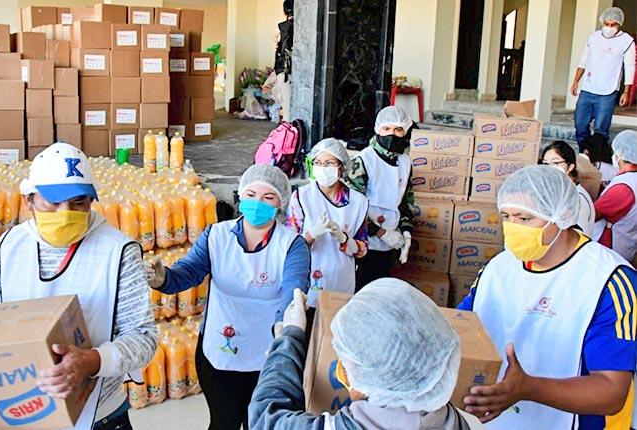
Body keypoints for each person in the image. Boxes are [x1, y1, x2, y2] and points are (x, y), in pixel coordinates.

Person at [0, 142, 157, 430]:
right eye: (52, 203)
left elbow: (144, 339)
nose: (65, 212)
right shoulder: (9, 246)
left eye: (78, 203)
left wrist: (91, 361)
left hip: (100, 413)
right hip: (29, 408)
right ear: (29, 200)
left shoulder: (118, 250)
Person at [458, 165, 636, 429]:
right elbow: (463, 327)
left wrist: (528, 388)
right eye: (507, 216)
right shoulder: (498, 268)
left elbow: (611, 392)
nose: (513, 228)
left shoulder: (608, 280)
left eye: (525, 218)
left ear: (562, 216)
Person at [145, 164, 310, 430]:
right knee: (224, 422)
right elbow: (188, 272)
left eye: (268, 197)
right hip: (220, 351)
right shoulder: (216, 236)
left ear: (281, 202)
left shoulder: (291, 245)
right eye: (252, 194)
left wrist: (284, 330)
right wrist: (162, 277)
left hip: (269, 353)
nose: (258, 202)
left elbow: (293, 292)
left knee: (261, 424)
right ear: (241, 196)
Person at [248, 280, 483, 429]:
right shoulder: (470, 424)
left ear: (372, 379)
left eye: (348, 364)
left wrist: (290, 335)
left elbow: (265, 418)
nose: (343, 369)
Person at [285, 138, 369, 307]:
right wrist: (311, 235)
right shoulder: (301, 197)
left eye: (329, 163)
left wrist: (345, 240)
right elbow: (288, 248)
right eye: (318, 162)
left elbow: (361, 250)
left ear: (341, 166)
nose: (323, 168)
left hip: (341, 280)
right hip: (307, 279)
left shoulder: (358, 202)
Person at [346, 106, 415, 288]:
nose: (391, 134)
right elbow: (351, 207)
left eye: (398, 130)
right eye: (386, 129)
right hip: (363, 240)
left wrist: (406, 231)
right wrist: (380, 232)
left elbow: (406, 200)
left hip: (391, 242)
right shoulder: (364, 161)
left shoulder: (405, 163)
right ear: (378, 129)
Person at [571, 6, 635, 146]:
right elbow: (583, 60)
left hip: (608, 92)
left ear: (619, 24)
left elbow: (630, 67)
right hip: (588, 88)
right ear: (602, 22)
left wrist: (626, 92)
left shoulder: (627, 41)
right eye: (607, 24)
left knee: (601, 129)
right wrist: (576, 81)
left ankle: (598, 159)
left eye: (613, 25)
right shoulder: (593, 38)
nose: (609, 27)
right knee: (580, 124)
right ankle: (585, 152)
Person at [594, 129, 637, 262]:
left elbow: (594, 214)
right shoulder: (631, 180)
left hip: (611, 248)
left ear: (621, 154)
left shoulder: (623, 187)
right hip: (627, 244)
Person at [541, 141, 595, 236]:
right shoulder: (558, 193)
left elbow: (580, 237)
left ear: (570, 166)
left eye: (555, 162)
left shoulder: (578, 199)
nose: (549, 168)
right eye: (545, 164)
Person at [273, 0, 294, 121]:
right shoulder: (305, 27)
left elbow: (277, 47)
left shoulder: (279, 28)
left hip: (285, 70)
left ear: (284, 11)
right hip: (302, 70)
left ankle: (289, 134)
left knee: (286, 106)